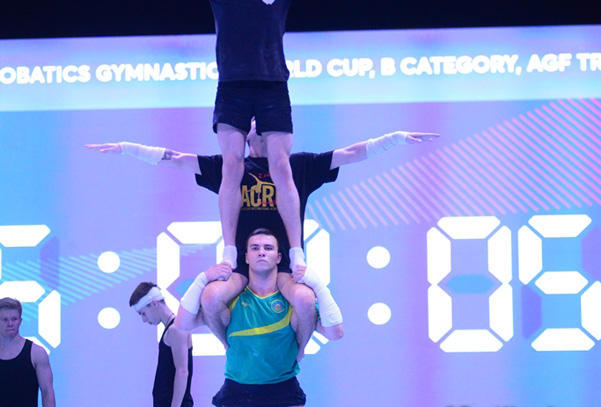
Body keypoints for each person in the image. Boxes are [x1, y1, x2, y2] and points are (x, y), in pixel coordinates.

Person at [70, 0, 427, 281]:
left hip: (273, 87)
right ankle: (228, 249)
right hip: (232, 88)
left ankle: (296, 251)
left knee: (281, 166)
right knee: (231, 165)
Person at [88, 122, 437, 352]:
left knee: (303, 301)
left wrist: (394, 139)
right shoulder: (230, 166)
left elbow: (351, 153)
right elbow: (175, 158)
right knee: (210, 300)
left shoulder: (296, 166)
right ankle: (236, 351)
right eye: (252, 130)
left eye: (263, 130)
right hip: (241, 268)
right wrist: (127, 147)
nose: (256, 135)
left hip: (281, 266)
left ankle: (295, 356)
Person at [210, 228, 342, 407]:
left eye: (268, 248)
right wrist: (204, 279)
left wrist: (318, 285)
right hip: (236, 392)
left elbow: (335, 332)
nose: (261, 252)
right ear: (246, 257)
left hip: (283, 392)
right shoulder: (231, 299)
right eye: (255, 248)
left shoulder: (295, 302)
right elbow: (184, 322)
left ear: (279, 257)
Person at [130, 278, 218, 407]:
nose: (144, 320)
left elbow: (182, 372)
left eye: (143, 313)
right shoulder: (171, 329)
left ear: (154, 304)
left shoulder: (176, 330)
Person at [0, 297, 56, 407]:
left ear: (20, 321)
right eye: (5, 320)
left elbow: (47, 391)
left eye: (14, 319)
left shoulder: (36, 353)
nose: (10, 323)